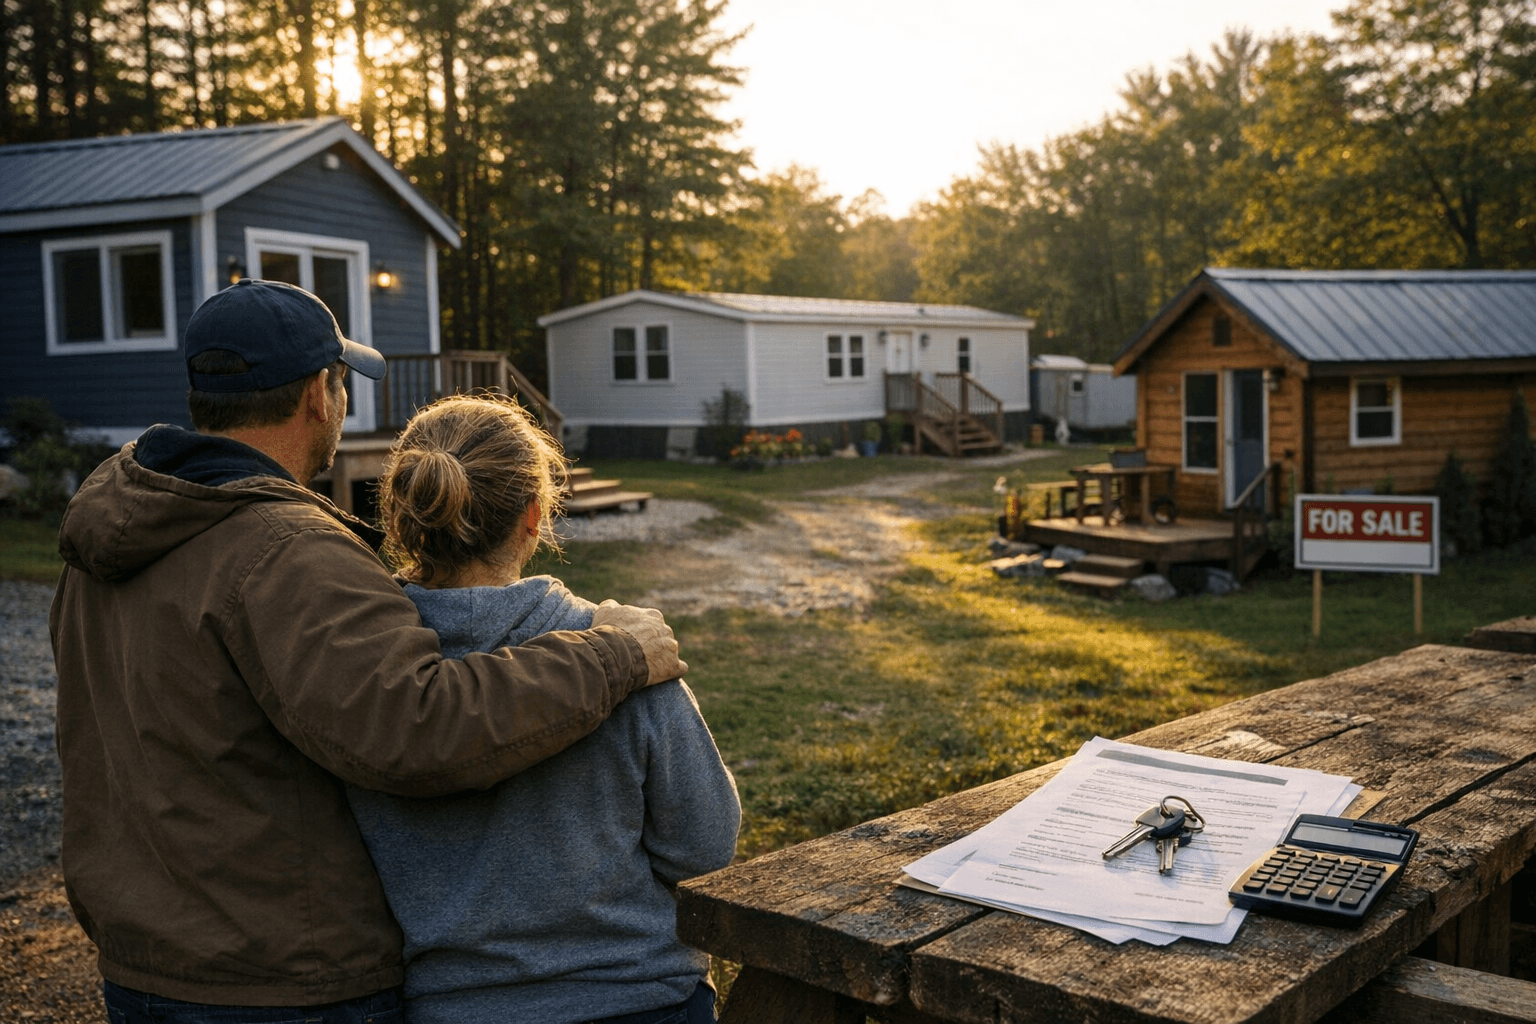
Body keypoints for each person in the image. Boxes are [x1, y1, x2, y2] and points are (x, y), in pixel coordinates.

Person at [48, 279, 687, 1022]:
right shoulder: (285, 551)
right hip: (282, 981)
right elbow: (420, 729)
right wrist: (614, 655)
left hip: (144, 963)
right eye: (344, 381)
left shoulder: (106, 534)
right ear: (321, 393)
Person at [346, 393, 740, 1024]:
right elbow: (704, 847)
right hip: (639, 998)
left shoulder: (361, 673)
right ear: (535, 515)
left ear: (401, 517)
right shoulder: (627, 648)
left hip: (452, 1009)